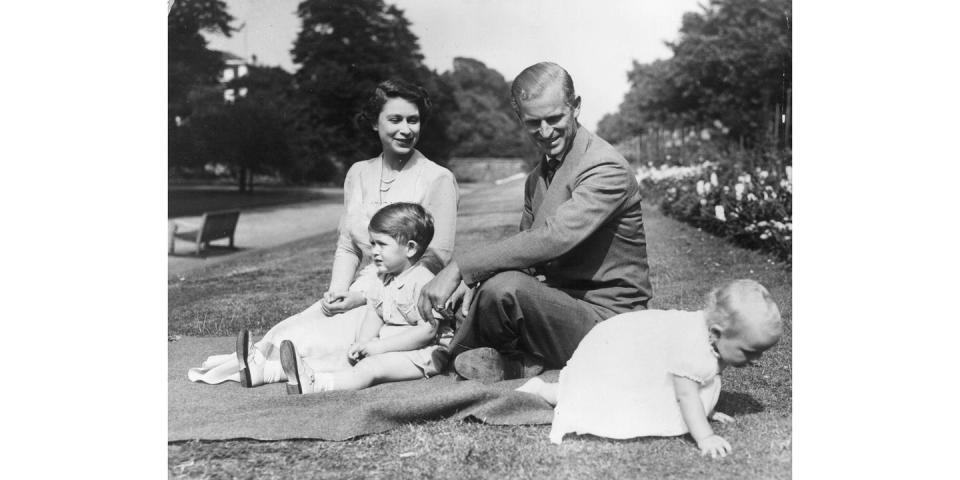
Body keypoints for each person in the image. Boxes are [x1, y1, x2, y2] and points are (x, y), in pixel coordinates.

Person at [188, 79, 459, 387]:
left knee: (319, 342)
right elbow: (348, 246)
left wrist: (362, 297)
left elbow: (436, 259)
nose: (406, 129)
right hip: (358, 288)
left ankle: (270, 370)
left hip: (401, 301)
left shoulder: (438, 178)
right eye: (395, 119)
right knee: (289, 330)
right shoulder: (359, 173)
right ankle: (261, 365)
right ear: (374, 122)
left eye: (413, 120)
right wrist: (336, 294)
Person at [417, 62, 652, 381]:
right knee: (494, 284)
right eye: (533, 123)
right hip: (559, 307)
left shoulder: (605, 167)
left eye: (554, 119)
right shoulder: (536, 178)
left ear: (576, 106)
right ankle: (509, 360)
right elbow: (525, 257)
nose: (545, 132)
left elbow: (553, 238)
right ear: (520, 120)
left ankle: (450, 355)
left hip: (612, 324)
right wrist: (470, 284)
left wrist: (461, 267)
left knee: (505, 287)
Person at [515, 279, 783, 458]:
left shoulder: (715, 342)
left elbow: (706, 377)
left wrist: (709, 409)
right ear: (716, 332)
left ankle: (553, 389)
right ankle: (544, 390)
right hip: (619, 355)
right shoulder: (693, 345)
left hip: (640, 354)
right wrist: (705, 436)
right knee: (599, 398)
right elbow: (687, 394)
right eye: (749, 351)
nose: (756, 360)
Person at [280, 202, 452, 393]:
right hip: (390, 347)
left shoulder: (423, 281)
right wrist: (362, 343)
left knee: (370, 368)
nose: (374, 251)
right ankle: (276, 370)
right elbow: (375, 313)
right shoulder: (383, 278)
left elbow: (427, 332)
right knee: (343, 357)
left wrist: (378, 347)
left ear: (410, 248)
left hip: (424, 354)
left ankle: (316, 384)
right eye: (372, 243)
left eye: (382, 244)